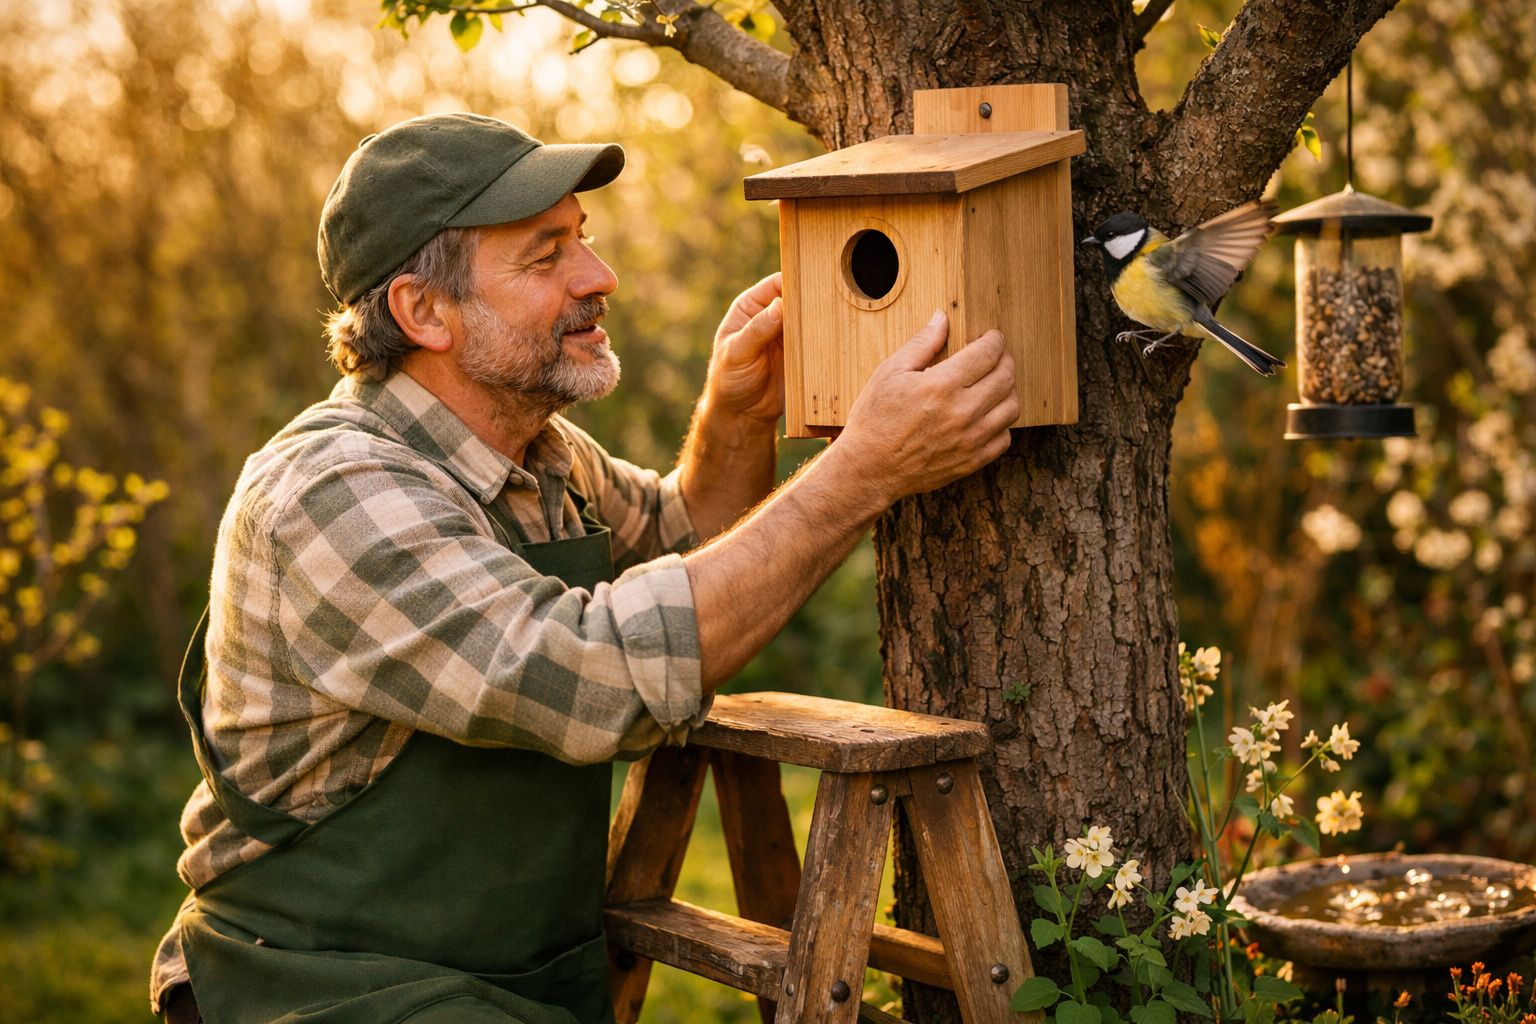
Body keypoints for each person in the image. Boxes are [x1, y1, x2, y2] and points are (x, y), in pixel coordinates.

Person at [152, 112, 1018, 1023]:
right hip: (322, 987)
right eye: (544, 255)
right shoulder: (335, 496)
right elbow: (599, 671)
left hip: (512, 987)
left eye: (584, 240)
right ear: (422, 312)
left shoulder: (540, 453)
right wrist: (864, 472)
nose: (599, 279)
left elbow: (692, 551)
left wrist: (737, 417)